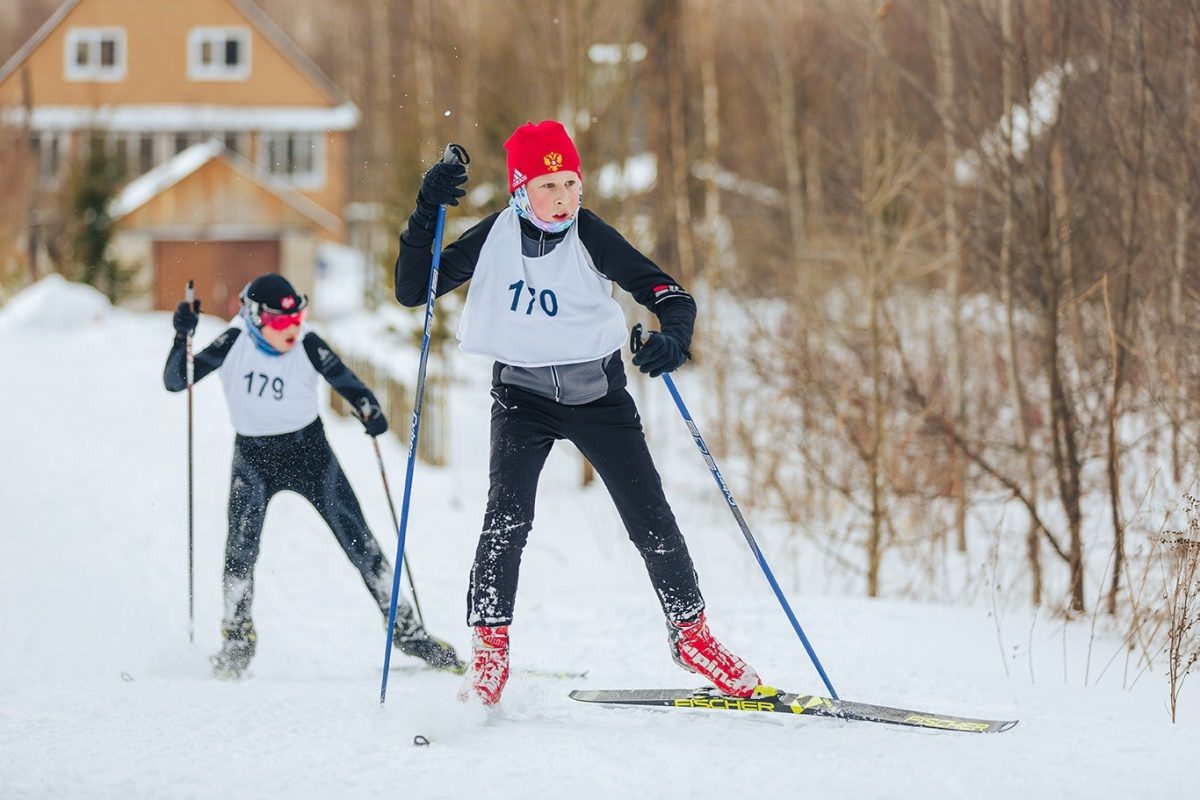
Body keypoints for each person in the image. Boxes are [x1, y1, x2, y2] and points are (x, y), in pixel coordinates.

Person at [394, 120, 762, 705]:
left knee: (652, 522)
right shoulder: (493, 237)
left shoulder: (590, 235)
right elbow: (413, 289)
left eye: (571, 182)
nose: (564, 198)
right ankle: (489, 650)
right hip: (521, 400)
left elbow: (669, 293)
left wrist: (673, 337)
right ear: (519, 188)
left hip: (599, 400)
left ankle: (691, 636)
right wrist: (425, 208)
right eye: (548, 185)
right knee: (506, 522)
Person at [163, 273, 462, 678]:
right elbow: (177, 380)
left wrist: (369, 410)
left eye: (296, 318)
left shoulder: (307, 343)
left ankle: (409, 633)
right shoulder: (234, 342)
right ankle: (236, 640)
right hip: (254, 459)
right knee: (239, 553)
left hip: (310, 454)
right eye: (279, 321)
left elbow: (347, 382)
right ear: (254, 317)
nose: (291, 329)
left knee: (363, 544)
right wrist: (182, 335)